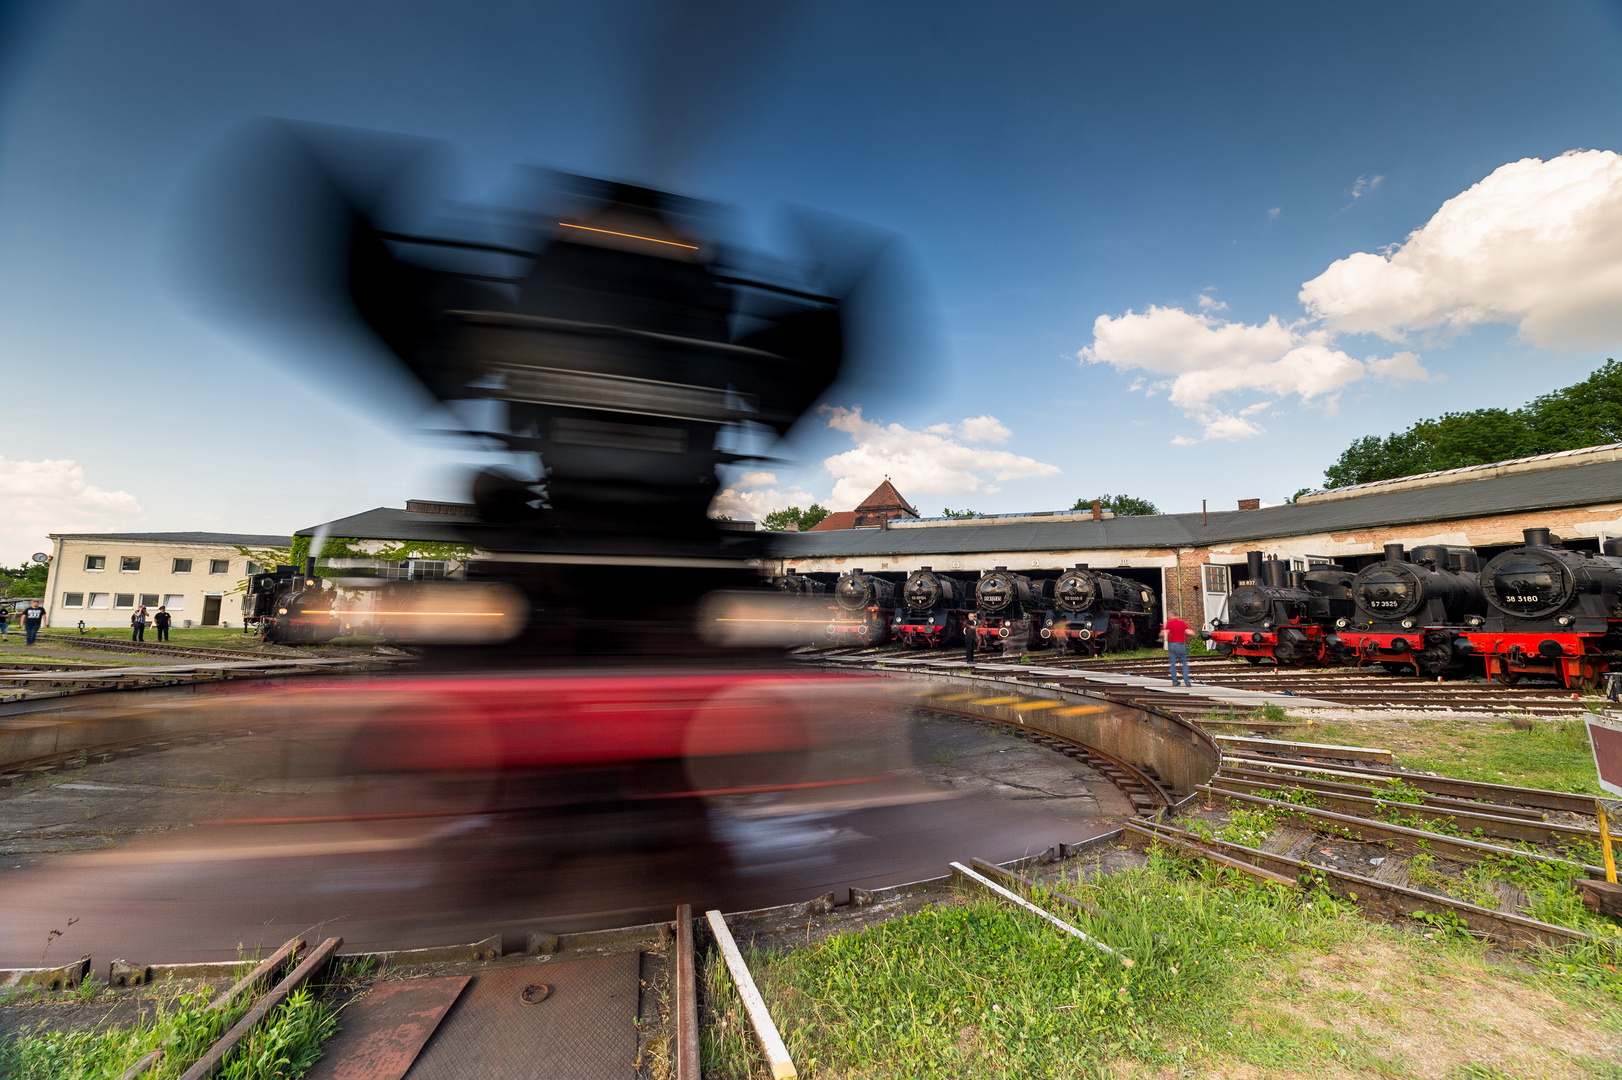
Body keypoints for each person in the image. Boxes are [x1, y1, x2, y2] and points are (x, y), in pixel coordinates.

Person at [1161, 611, 1190, 686]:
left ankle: (1175, 681)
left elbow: (1166, 632)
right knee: (1184, 663)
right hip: (1181, 645)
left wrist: (1162, 637)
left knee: (1173, 663)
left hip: (1172, 644)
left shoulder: (1169, 623)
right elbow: (1188, 632)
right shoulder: (1182, 623)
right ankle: (1187, 681)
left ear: (1171, 616)